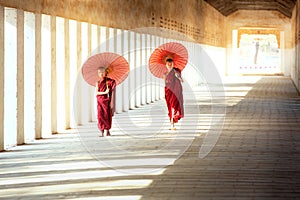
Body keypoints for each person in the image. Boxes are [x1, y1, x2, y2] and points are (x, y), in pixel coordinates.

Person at [163, 57, 184, 130]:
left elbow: (182, 80)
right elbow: (165, 84)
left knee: (173, 107)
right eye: (168, 64)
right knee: (170, 107)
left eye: (171, 64)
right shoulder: (165, 74)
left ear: (173, 64)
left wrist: (177, 76)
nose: (169, 65)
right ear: (166, 65)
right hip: (168, 92)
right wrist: (164, 94)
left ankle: (172, 124)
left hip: (176, 91)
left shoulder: (176, 71)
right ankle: (171, 124)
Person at [95, 67, 116, 137]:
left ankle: (107, 130)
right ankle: (101, 131)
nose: (101, 74)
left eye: (102, 72)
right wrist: (104, 92)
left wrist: (109, 89)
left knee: (107, 116)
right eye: (99, 72)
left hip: (106, 101)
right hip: (100, 102)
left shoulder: (109, 81)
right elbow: (97, 92)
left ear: (105, 72)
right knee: (100, 116)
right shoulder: (97, 83)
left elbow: (112, 89)